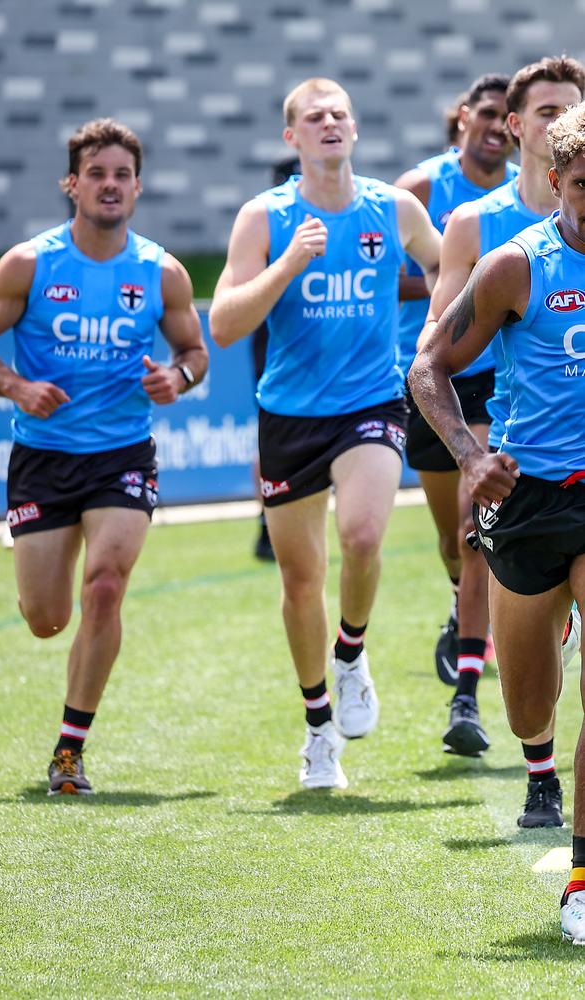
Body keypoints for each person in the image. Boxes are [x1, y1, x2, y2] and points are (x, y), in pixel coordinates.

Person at [0, 118, 208, 795]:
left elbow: (196, 352)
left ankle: (70, 748)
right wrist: (15, 386)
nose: (110, 185)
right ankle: (49, 598)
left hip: (123, 454)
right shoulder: (30, 264)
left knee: (105, 585)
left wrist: (176, 380)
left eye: (122, 174)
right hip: (42, 457)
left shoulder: (161, 271)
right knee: (47, 619)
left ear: (138, 187)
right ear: (72, 183)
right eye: (96, 173)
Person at [209, 78, 440, 789]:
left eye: (340, 113)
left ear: (356, 129)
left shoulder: (392, 207)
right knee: (300, 578)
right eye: (315, 117)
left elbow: (443, 268)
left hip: (371, 401)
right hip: (289, 413)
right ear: (293, 139)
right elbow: (223, 324)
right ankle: (317, 731)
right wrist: (288, 263)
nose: (330, 123)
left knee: (364, 535)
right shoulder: (265, 217)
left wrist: (435, 333)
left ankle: (352, 652)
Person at [409, 98, 585, 945]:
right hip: (528, 500)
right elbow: (429, 368)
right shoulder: (519, 266)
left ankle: (581, 883)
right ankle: (539, 751)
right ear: (557, 181)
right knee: (526, 708)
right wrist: (470, 456)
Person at [395, 74, 518, 751]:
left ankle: (465, 701)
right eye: (489, 115)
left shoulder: (543, 192)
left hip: (499, 377)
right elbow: (386, 268)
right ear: (464, 118)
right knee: (452, 537)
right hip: (433, 372)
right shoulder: (424, 190)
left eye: (511, 117)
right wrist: (470, 279)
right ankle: (459, 605)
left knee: (476, 527)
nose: (498, 128)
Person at [252, 156, 300, 563]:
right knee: (265, 425)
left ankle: (268, 523)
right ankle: (266, 521)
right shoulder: (269, 219)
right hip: (274, 339)